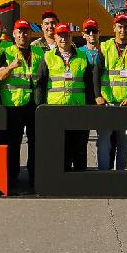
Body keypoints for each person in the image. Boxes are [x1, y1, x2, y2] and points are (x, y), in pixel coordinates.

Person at [33, 22, 93, 172]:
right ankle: (61, 176)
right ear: (55, 37)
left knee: (79, 146)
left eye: (66, 35)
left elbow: (89, 83)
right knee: (60, 145)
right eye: (60, 35)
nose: (63, 39)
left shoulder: (82, 56)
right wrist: (40, 107)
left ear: (71, 36)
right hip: (55, 110)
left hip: (78, 108)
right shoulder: (47, 57)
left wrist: (90, 106)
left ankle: (79, 176)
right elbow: (40, 84)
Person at [0, 19, 40, 191]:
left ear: (30, 33)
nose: (23, 34)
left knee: (36, 143)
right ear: (14, 34)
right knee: (12, 143)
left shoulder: (38, 52)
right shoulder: (5, 52)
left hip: (33, 104)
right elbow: (0, 76)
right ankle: (12, 177)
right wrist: (12, 66)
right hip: (13, 104)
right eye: (19, 32)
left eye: (25, 31)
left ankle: (34, 176)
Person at [95, 14, 127, 171]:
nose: (123, 30)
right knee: (103, 141)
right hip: (107, 102)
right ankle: (103, 173)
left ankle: (120, 174)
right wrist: (98, 96)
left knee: (124, 143)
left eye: (126, 27)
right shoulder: (105, 46)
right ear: (114, 28)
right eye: (120, 26)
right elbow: (97, 72)